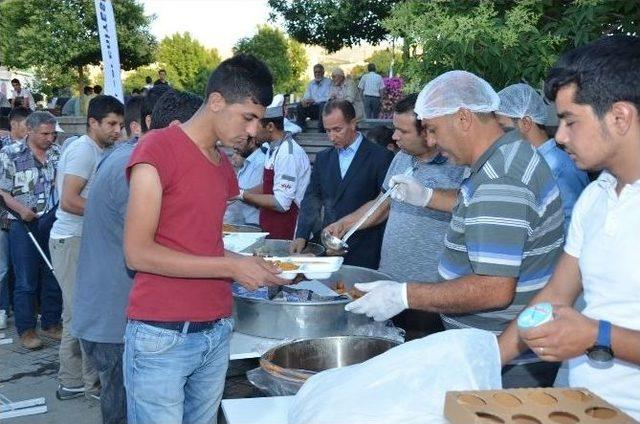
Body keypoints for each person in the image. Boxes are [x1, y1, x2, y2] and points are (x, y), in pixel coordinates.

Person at [346, 71, 565, 388]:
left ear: (464, 118)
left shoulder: (500, 180)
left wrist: (405, 294)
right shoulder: (505, 152)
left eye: (433, 129)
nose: (431, 141)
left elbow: (494, 288)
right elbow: (481, 209)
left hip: (506, 358)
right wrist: (428, 197)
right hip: (500, 346)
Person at [123, 54, 288, 423]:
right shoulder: (156, 150)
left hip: (216, 329)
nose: (253, 130)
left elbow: (203, 243)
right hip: (163, 334)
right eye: (248, 117)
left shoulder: (221, 165)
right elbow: (137, 253)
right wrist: (230, 265)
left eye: (259, 120)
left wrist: (251, 265)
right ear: (216, 101)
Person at [499, 35, 640, 420]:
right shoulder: (596, 197)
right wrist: (489, 358)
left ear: (620, 117)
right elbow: (557, 293)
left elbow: (593, 329)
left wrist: (599, 336)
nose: (559, 137)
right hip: (584, 404)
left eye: (569, 121)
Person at [72, 89, 202, 424]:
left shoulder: (131, 157)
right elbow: (163, 243)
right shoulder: (138, 167)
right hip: (115, 319)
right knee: (125, 413)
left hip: (110, 312)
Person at [324, 94, 465, 338]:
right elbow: (383, 203)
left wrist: (429, 195)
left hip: (430, 290)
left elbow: (471, 205)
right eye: (394, 129)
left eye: (402, 131)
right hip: (388, 281)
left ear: (428, 133)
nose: (394, 137)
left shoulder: (459, 164)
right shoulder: (401, 158)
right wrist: (346, 224)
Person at [50, 95, 124, 400]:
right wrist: (112, 215)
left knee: (78, 313)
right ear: (91, 122)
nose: (117, 130)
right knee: (83, 314)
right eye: (110, 124)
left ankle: (75, 381)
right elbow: (69, 201)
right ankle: (83, 382)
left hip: (79, 240)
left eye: (120, 124)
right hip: (72, 241)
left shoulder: (99, 149)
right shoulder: (83, 150)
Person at [292, 99, 394, 268]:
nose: (332, 137)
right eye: (327, 131)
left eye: (337, 129)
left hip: (365, 249)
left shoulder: (381, 157)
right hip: (328, 247)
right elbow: (312, 197)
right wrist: (301, 234)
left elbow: (384, 205)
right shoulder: (323, 158)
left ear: (353, 123)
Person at [0, 112, 62, 349]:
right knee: (26, 279)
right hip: (22, 222)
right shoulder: (10, 153)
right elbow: (2, 191)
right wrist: (20, 209)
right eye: (45, 134)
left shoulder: (57, 152)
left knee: (53, 272)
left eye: (53, 133)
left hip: (53, 220)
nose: (50, 138)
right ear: (30, 131)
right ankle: (26, 329)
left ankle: (51, 322)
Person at [496, 83, 588, 230]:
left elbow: (572, 227)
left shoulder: (558, 168)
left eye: (502, 127)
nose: (498, 136)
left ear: (525, 123)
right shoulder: (526, 161)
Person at [239, 100, 311, 239]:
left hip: (287, 229)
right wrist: (238, 193)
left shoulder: (287, 153)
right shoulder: (273, 148)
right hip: (270, 225)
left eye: (256, 125)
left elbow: (281, 203)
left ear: (270, 126)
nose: (251, 131)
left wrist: (244, 195)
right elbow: (268, 185)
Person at [224, 135, 266, 226]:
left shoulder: (260, 162)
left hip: (251, 223)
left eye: (239, 142)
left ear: (252, 142)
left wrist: (232, 193)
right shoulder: (248, 162)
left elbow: (254, 196)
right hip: (240, 222)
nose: (235, 147)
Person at [295, 64, 331, 132]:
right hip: (313, 110)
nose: (317, 74)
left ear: (323, 72)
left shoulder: (329, 82)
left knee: (323, 104)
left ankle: (321, 131)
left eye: (319, 72)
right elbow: (307, 95)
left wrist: (314, 101)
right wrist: (305, 101)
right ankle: (301, 129)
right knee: (300, 105)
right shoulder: (310, 84)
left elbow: (328, 97)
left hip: (324, 110)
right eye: (315, 72)